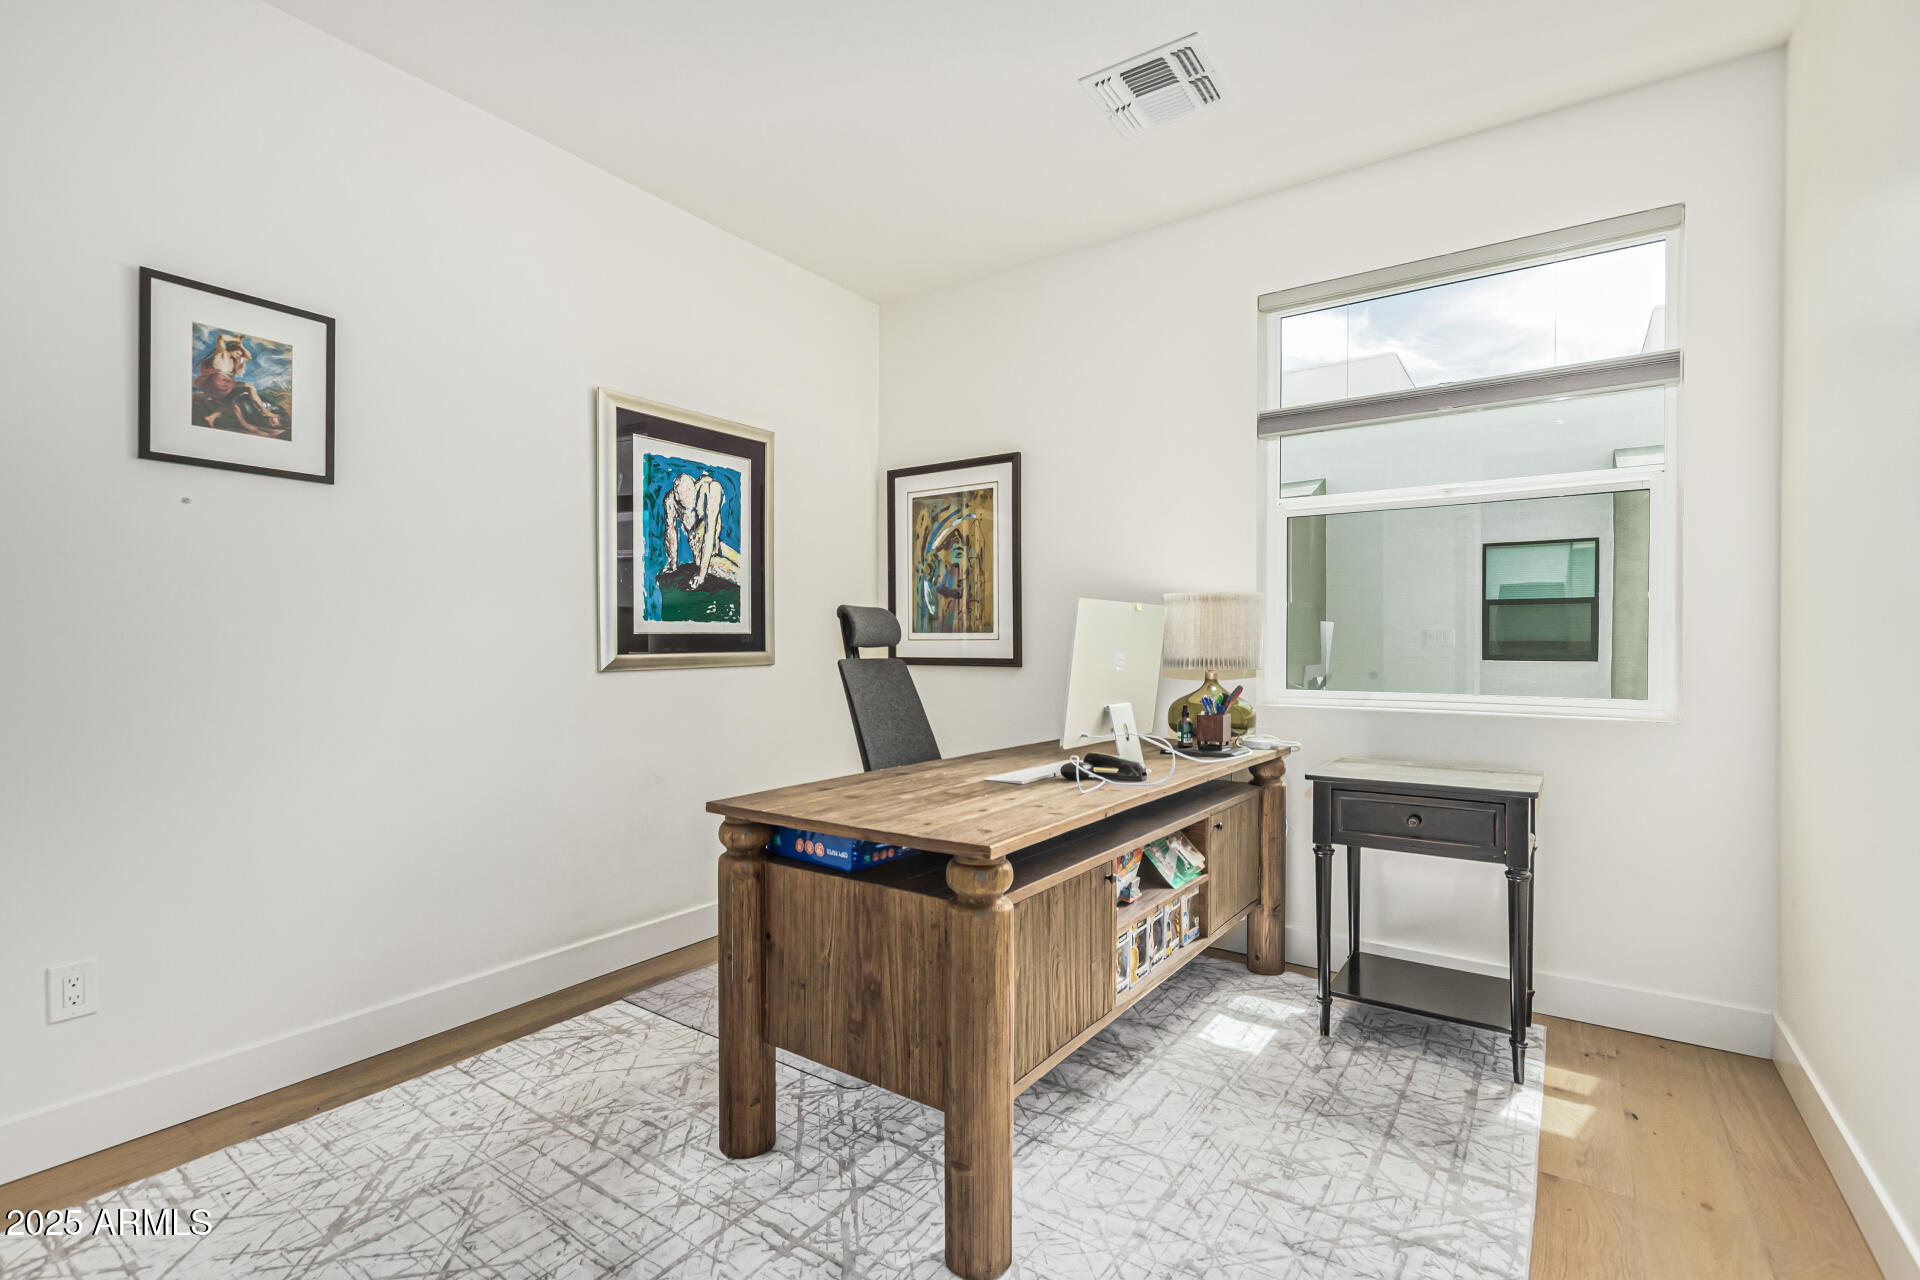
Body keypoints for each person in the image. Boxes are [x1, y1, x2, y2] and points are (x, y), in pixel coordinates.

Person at [193, 333, 284, 436]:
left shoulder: (235, 360)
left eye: (240, 355)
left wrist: (240, 346)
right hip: (220, 381)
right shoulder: (223, 353)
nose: (239, 356)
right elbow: (221, 337)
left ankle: (211, 418)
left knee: (234, 405)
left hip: (220, 385)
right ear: (231, 350)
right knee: (250, 387)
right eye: (237, 353)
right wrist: (235, 339)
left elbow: (248, 357)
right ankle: (263, 411)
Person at [662, 470, 739, 588]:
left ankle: (742, 577)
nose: (687, 498)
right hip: (701, 537)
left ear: (694, 487)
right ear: (677, 496)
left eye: (689, 492)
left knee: (703, 560)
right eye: (682, 498)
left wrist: (701, 574)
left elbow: (710, 531)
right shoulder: (671, 499)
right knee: (707, 551)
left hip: (709, 531)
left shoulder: (711, 490)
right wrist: (672, 564)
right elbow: (670, 530)